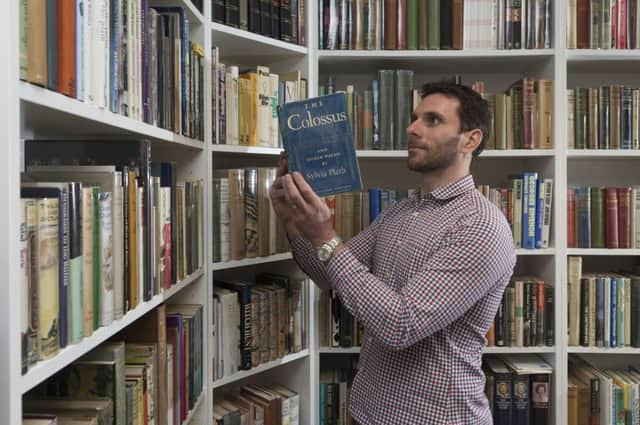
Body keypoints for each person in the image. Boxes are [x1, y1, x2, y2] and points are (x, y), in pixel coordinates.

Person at [269, 81, 517, 424]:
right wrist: (294, 223)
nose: (411, 129)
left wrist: (326, 234)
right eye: (415, 118)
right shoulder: (401, 212)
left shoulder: (480, 226)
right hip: (367, 412)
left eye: (432, 121)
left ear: (470, 140)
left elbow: (401, 324)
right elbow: (328, 273)